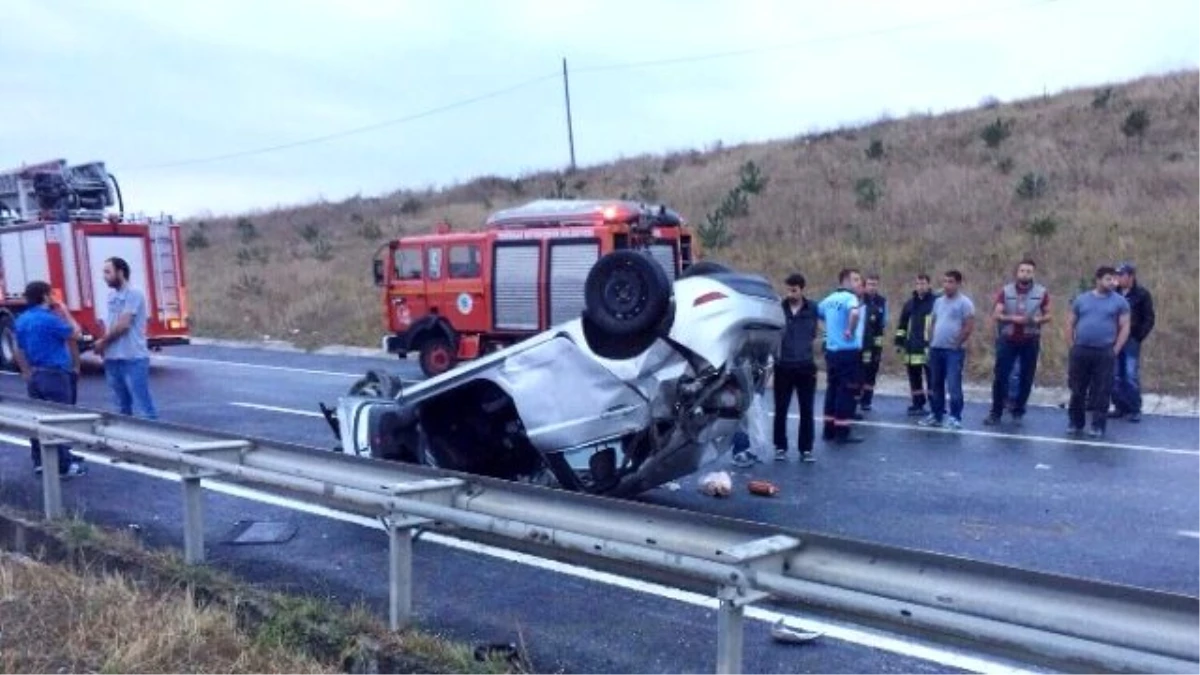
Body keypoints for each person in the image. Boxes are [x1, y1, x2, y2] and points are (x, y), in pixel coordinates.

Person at [12, 281, 87, 477]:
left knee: (38, 419)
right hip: (54, 374)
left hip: (35, 374)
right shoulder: (50, 319)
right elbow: (76, 333)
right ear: (45, 296)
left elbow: (18, 349)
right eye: (51, 293)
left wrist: (26, 372)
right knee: (59, 419)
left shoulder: (22, 320)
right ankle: (63, 465)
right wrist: (64, 310)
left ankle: (40, 461)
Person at [984, 259, 1051, 426]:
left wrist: (1036, 320)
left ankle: (1018, 410)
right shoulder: (1005, 291)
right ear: (1017, 272)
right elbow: (996, 314)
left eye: (1029, 271)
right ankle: (996, 412)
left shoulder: (1041, 292)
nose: (1025, 274)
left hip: (1030, 339)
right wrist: (1012, 318)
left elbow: (1049, 315)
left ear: (1033, 273)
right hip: (1008, 339)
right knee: (1000, 376)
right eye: (1022, 271)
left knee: (1026, 377)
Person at [1066, 266, 1130, 438]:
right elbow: (1070, 323)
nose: (1112, 282)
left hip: (1105, 351)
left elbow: (1125, 327)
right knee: (1077, 389)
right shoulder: (1082, 300)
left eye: (1114, 279)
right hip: (1081, 350)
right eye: (1109, 279)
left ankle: (1098, 425)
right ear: (1098, 279)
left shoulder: (1119, 302)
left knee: (1103, 390)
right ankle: (1075, 422)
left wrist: (1116, 349)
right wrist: (1072, 345)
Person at [93, 256, 158, 419]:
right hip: (113, 358)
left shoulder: (134, 293)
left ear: (120, 272)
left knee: (143, 404)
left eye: (108, 272)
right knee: (122, 406)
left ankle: (151, 438)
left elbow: (124, 325)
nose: (104, 276)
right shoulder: (110, 296)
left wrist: (103, 342)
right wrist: (104, 347)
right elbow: (107, 323)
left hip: (133, 356)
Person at [918, 270, 975, 430]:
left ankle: (955, 417)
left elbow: (968, 326)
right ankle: (936, 415)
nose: (947, 285)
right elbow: (934, 321)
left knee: (953, 384)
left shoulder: (965, 303)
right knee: (935, 384)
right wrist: (930, 341)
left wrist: (957, 344)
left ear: (958, 283)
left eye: (950, 282)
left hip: (953, 351)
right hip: (936, 349)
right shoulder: (938, 302)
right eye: (945, 281)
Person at [772, 273, 819, 462]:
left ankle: (806, 449)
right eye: (788, 289)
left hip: (806, 366)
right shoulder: (779, 309)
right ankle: (780, 447)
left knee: (807, 409)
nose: (790, 293)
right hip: (783, 366)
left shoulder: (813, 308)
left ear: (802, 289)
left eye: (794, 290)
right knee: (781, 409)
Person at [817, 269, 865, 444]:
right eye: (856, 279)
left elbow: (818, 314)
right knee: (847, 391)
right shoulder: (850, 298)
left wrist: (828, 332)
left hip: (831, 352)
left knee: (832, 390)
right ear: (845, 280)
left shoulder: (828, 300)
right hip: (847, 352)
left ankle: (828, 430)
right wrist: (849, 330)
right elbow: (855, 313)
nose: (859, 283)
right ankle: (843, 431)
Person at [1110, 261, 1154, 422]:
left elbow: (1149, 318)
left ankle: (1135, 408)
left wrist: (1138, 336)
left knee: (1129, 374)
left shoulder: (1142, 294)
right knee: (1114, 374)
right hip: (1113, 339)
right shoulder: (1113, 293)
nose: (1118, 278)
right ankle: (1119, 406)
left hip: (1131, 339)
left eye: (1122, 275)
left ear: (1131, 276)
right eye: (1117, 275)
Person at [894, 274, 936, 416]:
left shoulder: (935, 303)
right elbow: (902, 325)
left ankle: (936, 405)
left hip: (928, 346)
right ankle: (917, 404)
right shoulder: (909, 304)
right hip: (911, 347)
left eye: (923, 283)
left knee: (933, 377)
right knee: (914, 377)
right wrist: (899, 342)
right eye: (918, 283)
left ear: (929, 285)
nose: (920, 286)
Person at [856, 273, 888, 413]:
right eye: (870, 284)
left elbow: (882, 325)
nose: (872, 287)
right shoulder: (858, 300)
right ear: (864, 285)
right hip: (859, 344)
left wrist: (878, 348)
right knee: (858, 372)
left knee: (871, 373)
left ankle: (866, 401)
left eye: (875, 284)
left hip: (874, 344)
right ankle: (855, 399)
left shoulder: (882, 301)